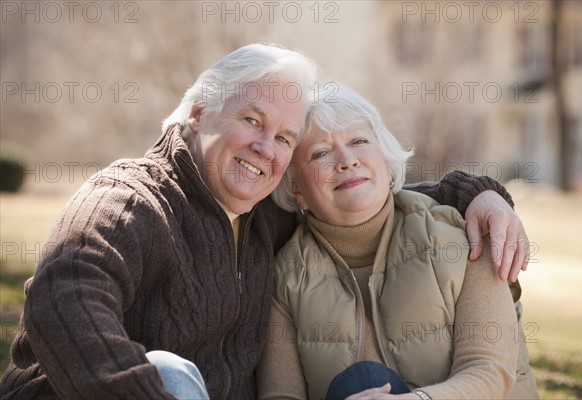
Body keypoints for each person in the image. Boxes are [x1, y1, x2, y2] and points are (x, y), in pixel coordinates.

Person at [0, 44, 529, 400]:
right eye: (251, 120)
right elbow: (62, 302)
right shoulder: (127, 201)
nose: (264, 146)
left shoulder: (260, 220)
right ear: (198, 114)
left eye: (282, 137)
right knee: (169, 370)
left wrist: (479, 194)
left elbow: (363, 196)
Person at [257, 84, 539, 399]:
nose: (347, 160)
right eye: (320, 153)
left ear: (386, 158)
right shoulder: (286, 275)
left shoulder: (462, 236)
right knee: (360, 381)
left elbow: (489, 374)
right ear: (296, 188)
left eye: (359, 141)